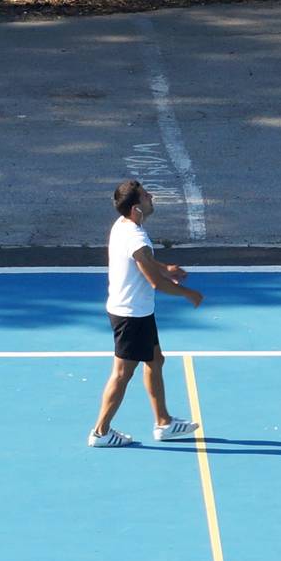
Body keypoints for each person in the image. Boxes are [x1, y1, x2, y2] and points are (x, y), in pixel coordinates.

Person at [89, 180, 205, 448]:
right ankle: (100, 432)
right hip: (131, 316)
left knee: (155, 360)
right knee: (121, 374)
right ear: (135, 208)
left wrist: (167, 268)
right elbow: (155, 282)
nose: (151, 197)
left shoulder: (124, 227)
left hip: (135, 312)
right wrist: (189, 293)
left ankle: (163, 422)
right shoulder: (136, 238)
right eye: (145, 196)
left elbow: (146, 264)